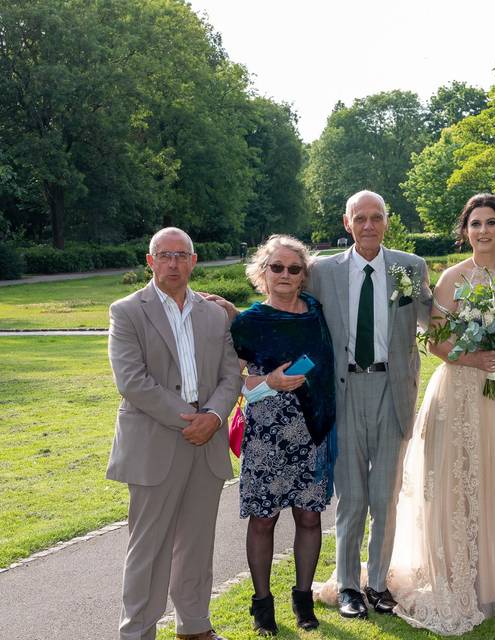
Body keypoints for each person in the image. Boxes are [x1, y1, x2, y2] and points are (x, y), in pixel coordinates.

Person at [382, 193, 495, 634]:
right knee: (463, 481)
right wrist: (472, 357)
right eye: (475, 224)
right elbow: (436, 342)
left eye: (490, 223)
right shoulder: (452, 277)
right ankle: (468, 582)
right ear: (465, 231)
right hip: (463, 389)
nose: (483, 231)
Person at [107, 227, 242, 640]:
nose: (173, 263)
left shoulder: (214, 313)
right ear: (150, 261)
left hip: (207, 444)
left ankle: (195, 626)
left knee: (198, 544)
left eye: (181, 255)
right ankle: (137, 632)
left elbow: (229, 374)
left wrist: (215, 417)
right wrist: (193, 419)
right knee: (149, 548)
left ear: (194, 261)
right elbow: (132, 381)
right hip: (156, 444)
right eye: (164, 255)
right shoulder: (127, 311)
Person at [311, 191, 433, 619]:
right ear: (347, 223)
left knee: (384, 496)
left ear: (386, 221)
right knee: (352, 498)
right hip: (343, 393)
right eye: (359, 218)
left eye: (375, 217)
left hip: (392, 390)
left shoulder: (409, 267)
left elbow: (434, 323)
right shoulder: (322, 272)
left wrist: (485, 330)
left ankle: (378, 583)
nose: (368, 225)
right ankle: (348, 586)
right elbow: (289, 307)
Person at [229, 235, 337, 635]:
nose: (286, 275)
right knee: (263, 520)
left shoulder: (316, 314)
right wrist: (269, 381)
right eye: (277, 267)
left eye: (294, 268)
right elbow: (234, 381)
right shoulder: (249, 322)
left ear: (304, 275)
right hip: (267, 434)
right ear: (263, 272)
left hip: (312, 431)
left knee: (310, 518)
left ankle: (304, 601)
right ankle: (262, 606)